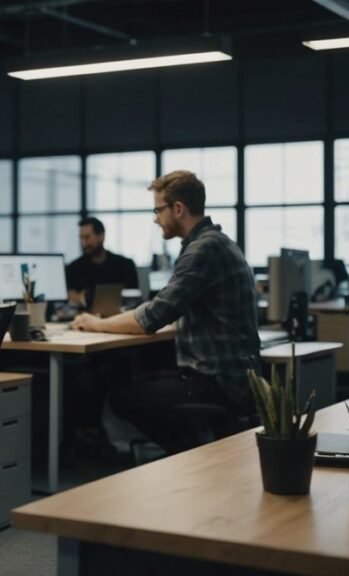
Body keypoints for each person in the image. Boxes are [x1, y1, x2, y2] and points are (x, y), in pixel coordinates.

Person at [72, 170, 259, 454]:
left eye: (158, 209)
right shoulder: (217, 242)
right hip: (234, 376)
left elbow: (152, 317)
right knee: (140, 378)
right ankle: (192, 451)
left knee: (122, 397)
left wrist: (95, 324)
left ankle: (191, 455)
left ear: (179, 209)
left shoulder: (201, 251)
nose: (155, 218)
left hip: (217, 382)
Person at [66, 216, 138, 308]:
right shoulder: (74, 268)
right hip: (85, 317)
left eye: (87, 237)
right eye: (81, 238)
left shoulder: (125, 265)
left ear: (101, 236)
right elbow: (69, 296)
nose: (84, 243)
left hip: (120, 317)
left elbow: (133, 298)